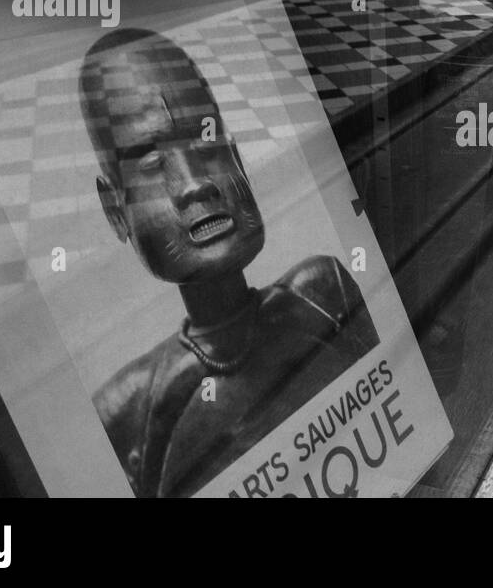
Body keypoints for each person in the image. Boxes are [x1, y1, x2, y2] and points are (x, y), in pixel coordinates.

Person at [79, 28, 379, 497]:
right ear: (115, 210)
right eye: (152, 159)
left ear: (235, 154)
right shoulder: (127, 413)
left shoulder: (323, 291)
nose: (197, 183)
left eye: (206, 139)